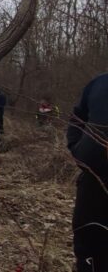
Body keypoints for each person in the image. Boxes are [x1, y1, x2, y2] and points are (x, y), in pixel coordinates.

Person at [66, 73, 108, 272]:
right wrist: (79, 149)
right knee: (88, 243)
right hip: (93, 179)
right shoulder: (99, 83)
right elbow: (77, 118)